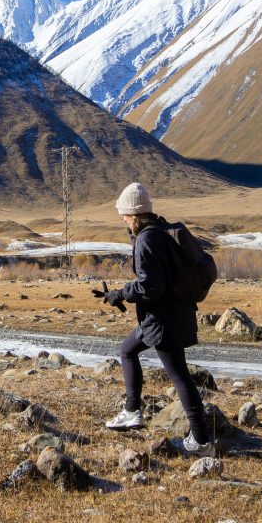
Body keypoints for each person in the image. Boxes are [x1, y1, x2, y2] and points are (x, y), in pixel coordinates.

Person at [93, 182, 215, 456]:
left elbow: (150, 287)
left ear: (135, 215)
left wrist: (121, 293)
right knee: (127, 350)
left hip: (164, 320)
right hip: (166, 315)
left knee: (180, 376)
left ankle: (202, 442)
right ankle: (132, 411)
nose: (123, 218)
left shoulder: (147, 239)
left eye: (125, 214)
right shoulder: (159, 232)